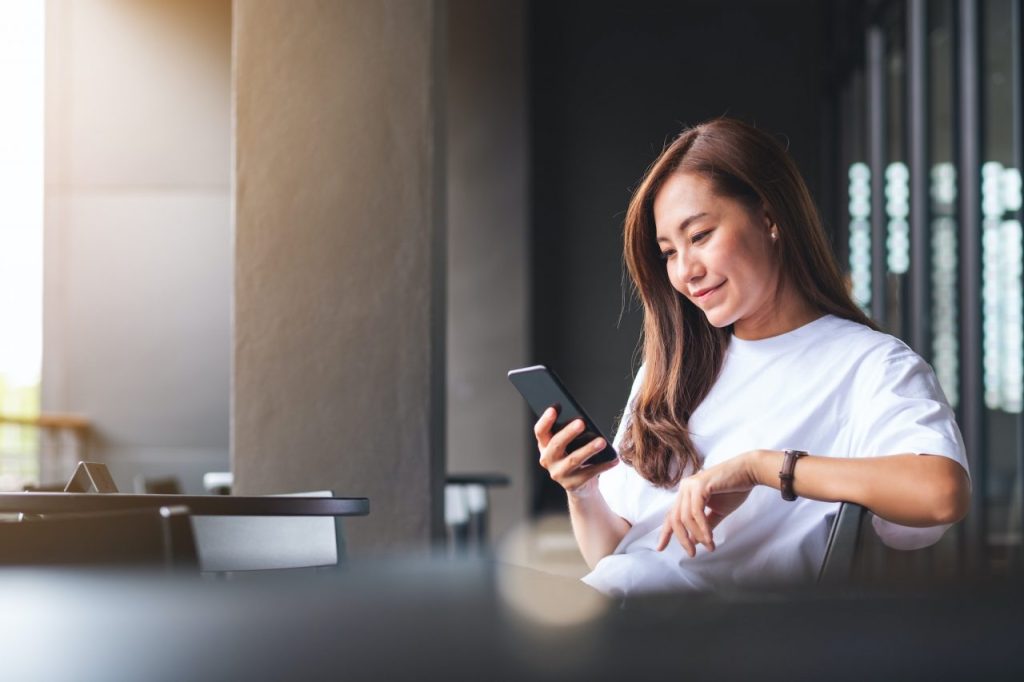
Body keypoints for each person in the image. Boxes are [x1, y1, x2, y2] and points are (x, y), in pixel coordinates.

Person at [534, 118, 971, 596]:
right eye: (668, 253)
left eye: (699, 236)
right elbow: (616, 554)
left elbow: (941, 493)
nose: (685, 272)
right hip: (615, 618)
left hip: (707, 645)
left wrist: (762, 468)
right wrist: (582, 490)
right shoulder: (673, 370)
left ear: (769, 218)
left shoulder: (869, 366)